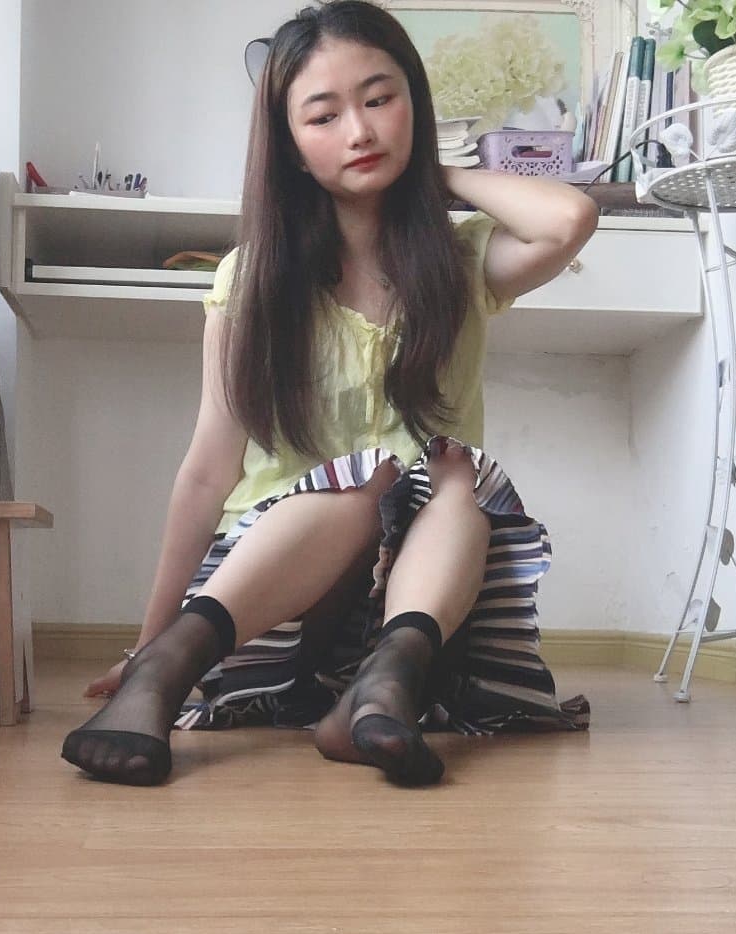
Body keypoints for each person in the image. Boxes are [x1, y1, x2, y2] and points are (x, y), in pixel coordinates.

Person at [61, 0, 598, 788]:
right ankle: (163, 672)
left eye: (380, 100)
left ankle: (381, 691)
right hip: (270, 614)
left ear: (414, 100)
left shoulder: (461, 264)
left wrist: (433, 173)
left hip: (418, 610)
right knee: (366, 485)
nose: (360, 132)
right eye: (324, 114)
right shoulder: (249, 282)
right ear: (288, 144)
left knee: (455, 486)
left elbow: (570, 216)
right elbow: (208, 470)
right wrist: (150, 635)